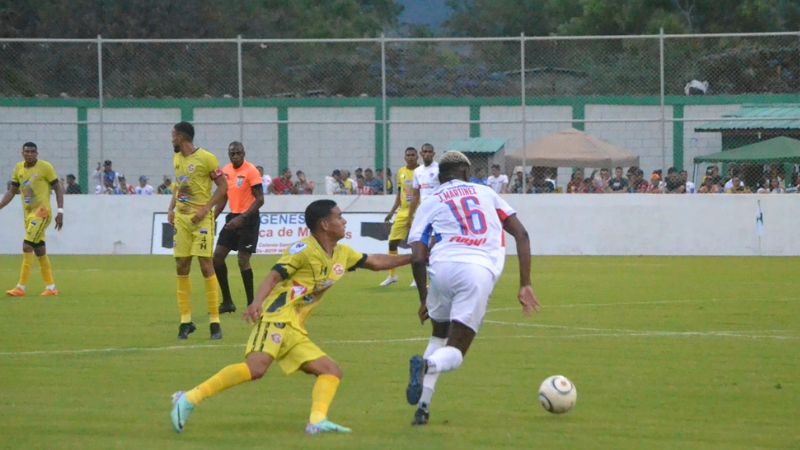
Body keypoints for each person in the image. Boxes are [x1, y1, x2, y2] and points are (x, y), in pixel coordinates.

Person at [170, 199, 412, 435]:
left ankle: (317, 421)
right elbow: (274, 276)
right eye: (339, 216)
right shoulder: (303, 249)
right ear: (325, 224)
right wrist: (256, 302)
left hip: (294, 327)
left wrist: (413, 257)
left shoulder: (342, 254)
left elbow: (377, 262)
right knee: (256, 368)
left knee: (330, 371)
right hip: (276, 317)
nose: (344, 221)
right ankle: (189, 398)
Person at [404, 151, 540, 426]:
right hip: (476, 270)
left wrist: (424, 300)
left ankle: (423, 408)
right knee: (455, 351)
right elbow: (521, 234)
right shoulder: (486, 193)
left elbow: (418, 256)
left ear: (440, 176)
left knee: (438, 336)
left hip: (441, 269)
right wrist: (525, 283)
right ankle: (427, 366)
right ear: (466, 172)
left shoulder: (430, 202)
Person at [168, 122, 228, 340]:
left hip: (201, 220)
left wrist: (206, 208)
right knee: (181, 264)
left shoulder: (206, 158)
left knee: (205, 265)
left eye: (173, 136)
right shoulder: (177, 159)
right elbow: (178, 186)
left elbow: (223, 186)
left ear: (182, 138)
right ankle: (185, 321)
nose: (171, 140)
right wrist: (171, 208)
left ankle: (214, 321)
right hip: (182, 219)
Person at [1, 142, 64, 297]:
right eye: (26, 151)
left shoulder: (45, 167)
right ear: (22, 153)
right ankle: (51, 287)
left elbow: (57, 188)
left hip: (42, 213)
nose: (29, 154)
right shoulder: (19, 168)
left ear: (37, 153)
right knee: (39, 249)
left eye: (32, 151)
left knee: (27, 245)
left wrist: (60, 211)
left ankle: (20, 287)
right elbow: (12, 191)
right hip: (28, 214)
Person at [214, 141, 264, 314]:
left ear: (244, 153)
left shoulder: (251, 171)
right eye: (232, 153)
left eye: (238, 153)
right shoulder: (226, 171)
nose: (235, 156)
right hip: (233, 217)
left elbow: (260, 199)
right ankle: (227, 301)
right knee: (217, 257)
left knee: (243, 259)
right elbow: (223, 198)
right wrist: (212, 217)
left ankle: (251, 303)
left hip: (249, 218)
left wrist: (243, 218)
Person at [381, 147, 419, 287]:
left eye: (413, 155)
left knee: (416, 245)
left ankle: (417, 277)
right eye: (408, 155)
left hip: (418, 211)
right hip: (402, 212)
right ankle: (392, 276)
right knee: (392, 242)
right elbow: (399, 193)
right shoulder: (401, 172)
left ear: (417, 157)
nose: (410, 157)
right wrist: (392, 212)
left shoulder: (421, 172)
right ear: (404, 157)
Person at [408, 143, 439, 287]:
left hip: (438, 211)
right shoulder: (418, 171)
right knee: (419, 244)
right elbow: (416, 194)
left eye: (429, 152)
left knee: (434, 245)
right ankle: (419, 277)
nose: (427, 154)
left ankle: (434, 276)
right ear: (421, 153)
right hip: (423, 211)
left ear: (434, 154)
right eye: (424, 152)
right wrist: (410, 215)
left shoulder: (439, 169)